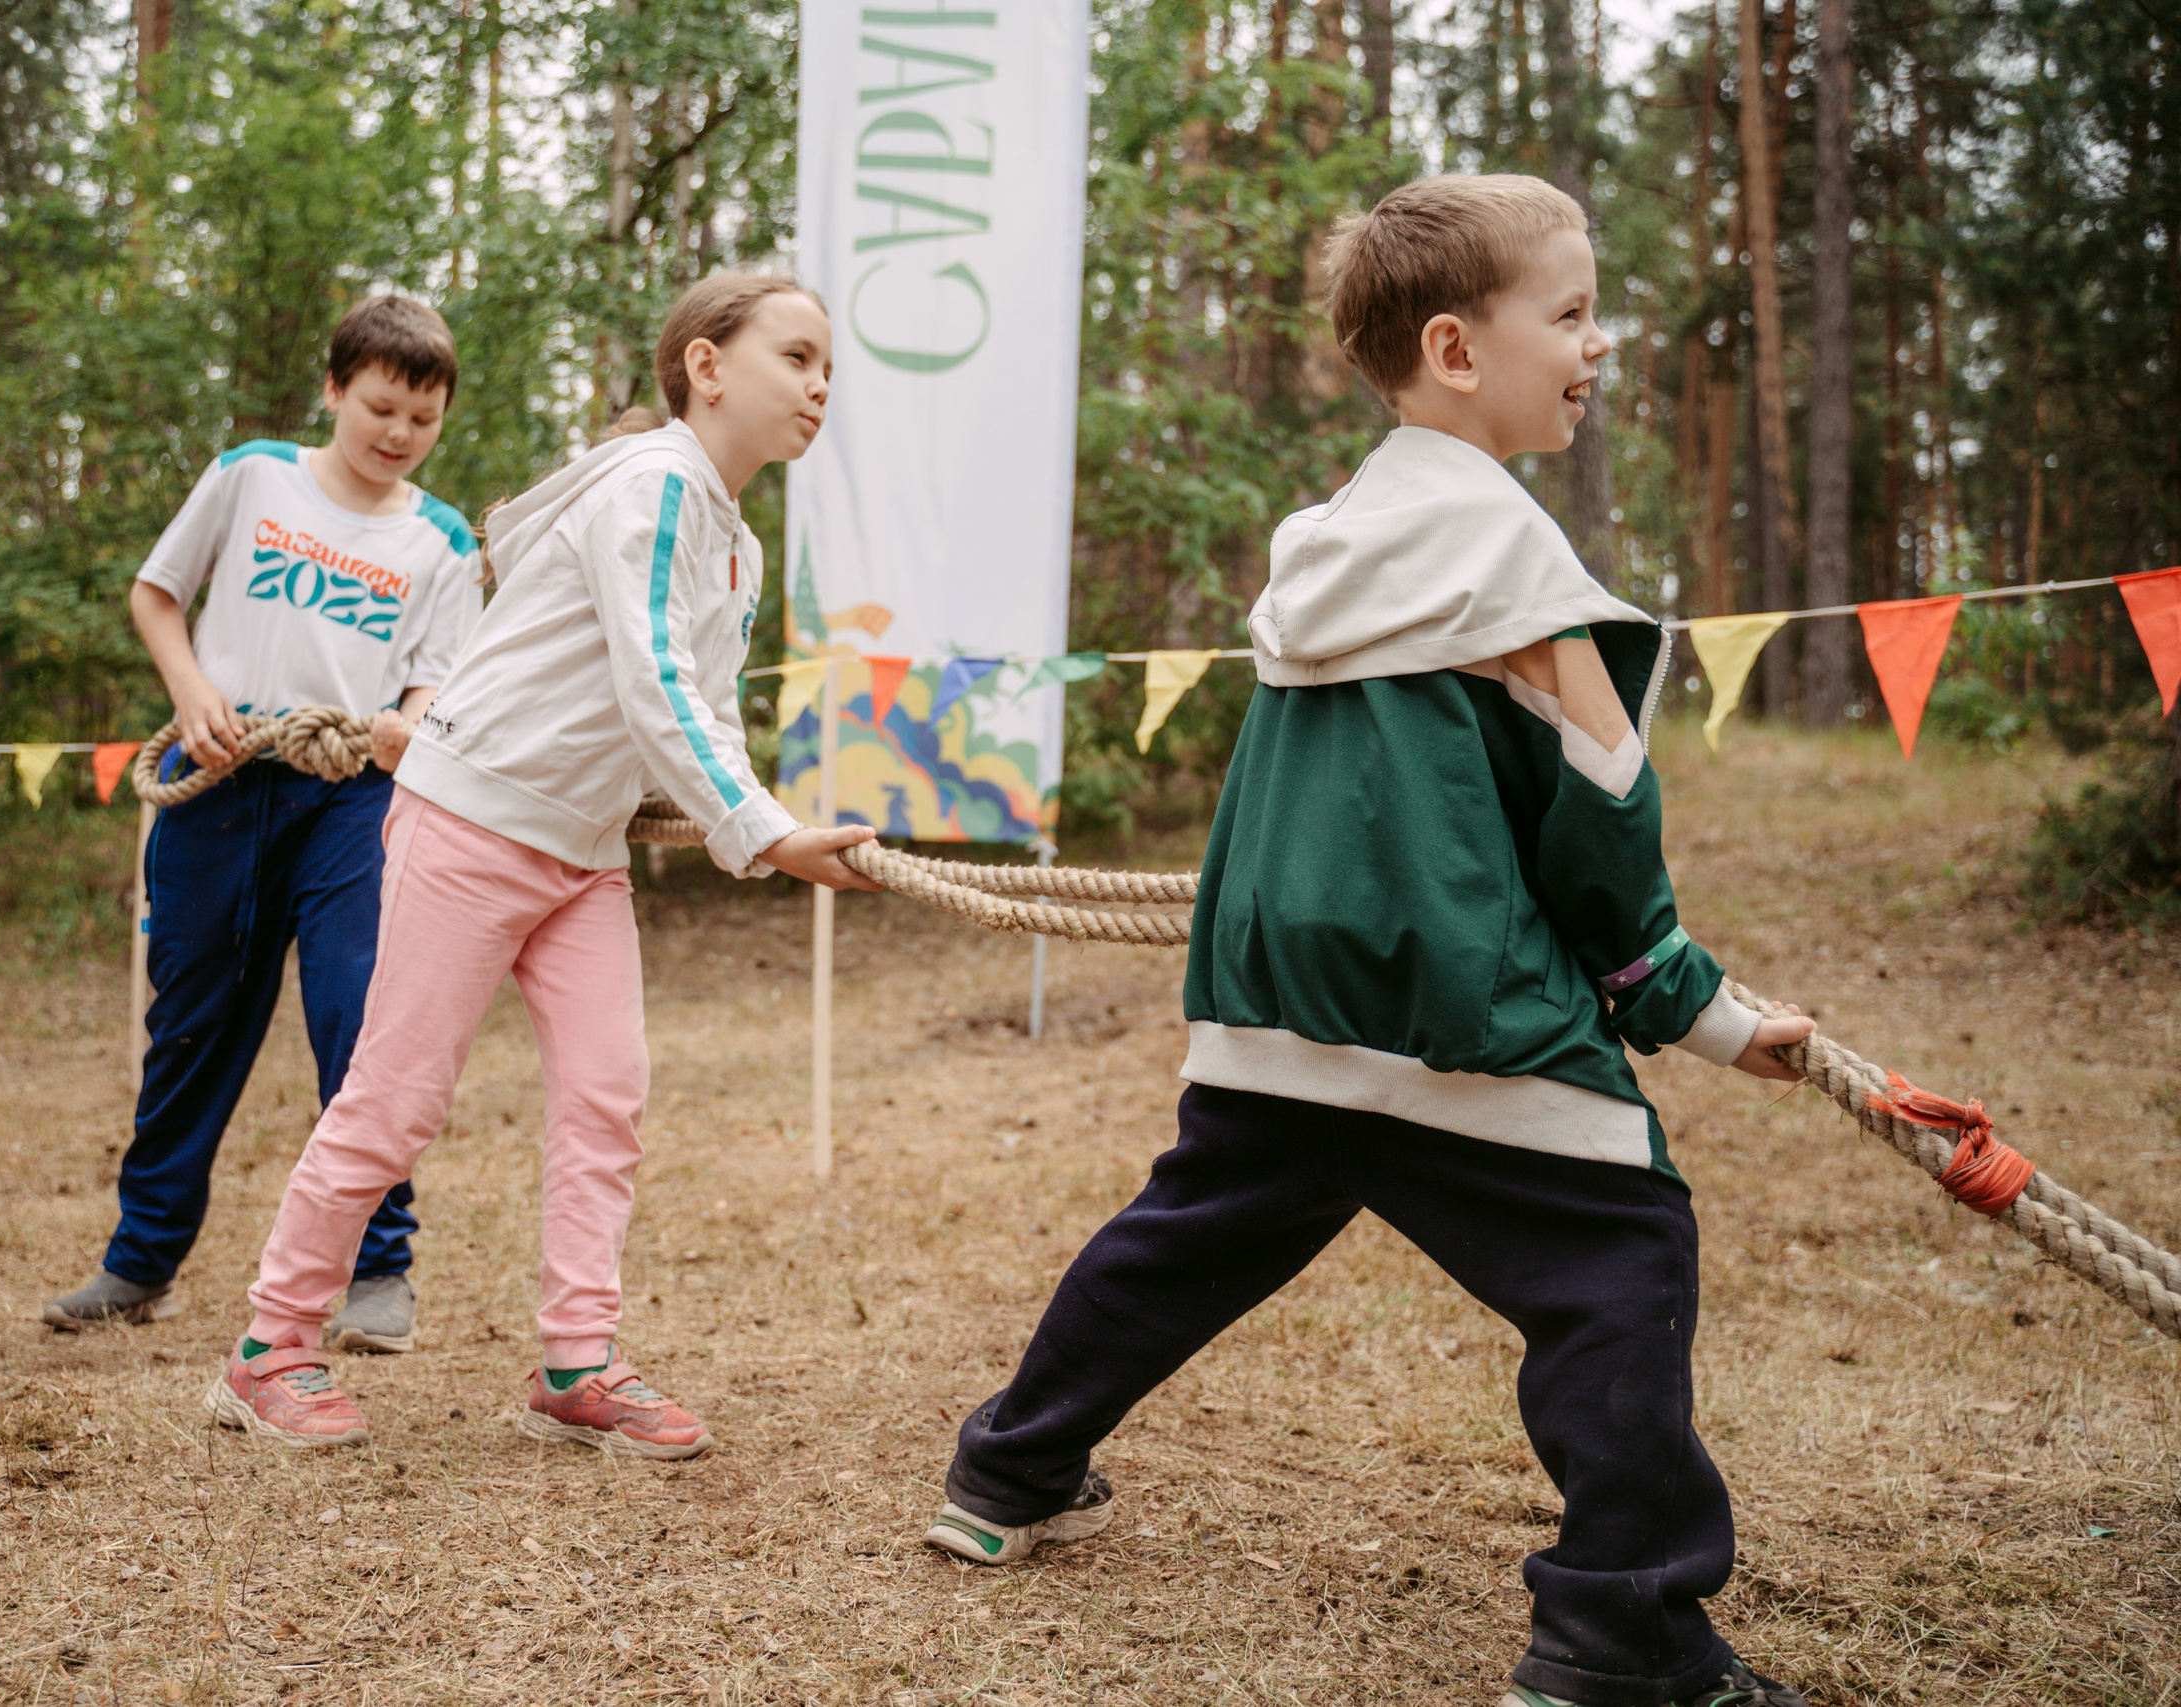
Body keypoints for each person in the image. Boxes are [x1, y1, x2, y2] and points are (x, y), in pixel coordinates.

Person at [919, 175, 1820, 1707]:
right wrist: (1709, 1014)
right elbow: (1600, 828)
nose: (1600, 345)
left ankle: (1005, 1470)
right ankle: (1626, 1630)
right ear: (1460, 349)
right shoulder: (1517, 567)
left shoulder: (1326, 547)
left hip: (1277, 1004)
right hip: (1450, 1010)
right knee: (1621, 1257)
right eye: (1576, 312)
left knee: (1180, 1243)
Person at [201, 271, 879, 1455]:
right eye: (798, 356)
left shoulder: (738, 548)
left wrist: (747, 810)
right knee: (396, 1102)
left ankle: (575, 1366)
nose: (821, 385)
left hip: (579, 851)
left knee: (608, 1095)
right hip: (472, 820)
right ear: (707, 368)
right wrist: (762, 833)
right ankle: (269, 1351)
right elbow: (652, 680)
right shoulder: (655, 483)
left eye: (830, 366)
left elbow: (701, 715)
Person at [44, 296, 481, 1357]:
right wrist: (193, 691)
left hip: (352, 804)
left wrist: (402, 728)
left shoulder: (443, 541)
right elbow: (157, 593)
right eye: (379, 407)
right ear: (333, 390)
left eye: (420, 420)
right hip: (220, 784)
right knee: (192, 1027)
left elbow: (438, 683)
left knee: (360, 1025)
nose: (396, 434)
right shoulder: (250, 476)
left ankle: (380, 1271)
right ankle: (141, 1260)